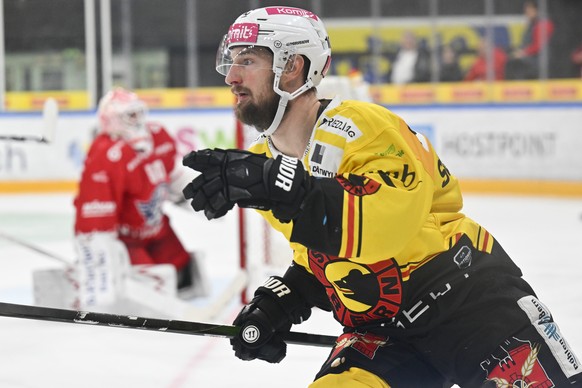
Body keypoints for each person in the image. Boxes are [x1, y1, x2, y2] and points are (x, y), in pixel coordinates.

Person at [182, 6, 581, 387]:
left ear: (292, 67)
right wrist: (284, 300)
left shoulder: (361, 127)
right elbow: (325, 254)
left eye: (248, 61)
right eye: (231, 60)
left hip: (471, 305)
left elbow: (387, 226)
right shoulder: (265, 162)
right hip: (379, 334)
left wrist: (284, 186)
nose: (231, 75)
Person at [74, 87, 205, 309]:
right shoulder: (105, 155)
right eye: (130, 115)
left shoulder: (158, 136)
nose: (138, 121)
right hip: (128, 241)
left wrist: (202, 195)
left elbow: (170, 176)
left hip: (157, 229)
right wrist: (100, 264)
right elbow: (95, 217)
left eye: (138, 113)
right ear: (112, 121)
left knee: (183, 272)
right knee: (150, 290)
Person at [506, 0, 555, 80]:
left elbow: (538, 46)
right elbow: (526, 43)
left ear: (536, 10)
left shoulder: (543, 24)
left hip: (539, 59)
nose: (527, 14)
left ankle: (518, 88)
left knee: (515, 63)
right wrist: (517, 50)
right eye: (526, 12)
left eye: (529, 11)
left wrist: (523, 53)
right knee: (509, 54)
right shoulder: (532, 25)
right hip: (531, 56)